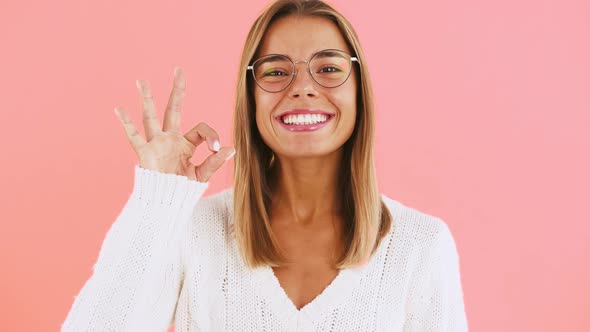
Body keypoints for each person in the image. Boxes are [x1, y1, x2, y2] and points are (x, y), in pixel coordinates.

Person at [62, 0, 468, 330]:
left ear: (360, 91)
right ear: (250, 99)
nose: (303, 87)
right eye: (276, 72)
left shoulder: (420, 245)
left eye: (328, 69)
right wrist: (160, 199)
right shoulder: (192, 228)